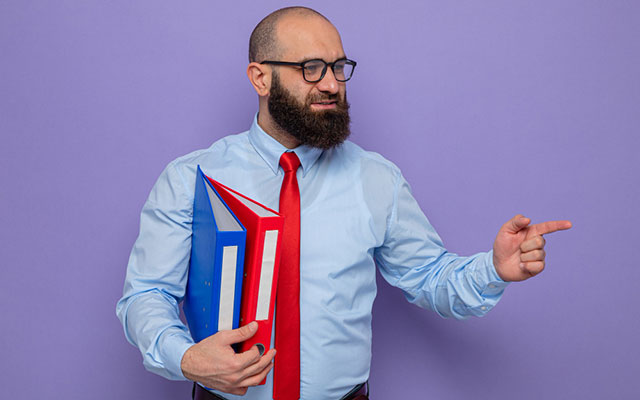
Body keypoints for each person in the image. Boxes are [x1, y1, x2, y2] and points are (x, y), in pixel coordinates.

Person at [116, 6, 572, 400]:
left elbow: (430, 276)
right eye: (311, 68)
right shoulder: (191, 178)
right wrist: (186, 357)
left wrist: (493, 268)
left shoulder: (376, 179)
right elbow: (147, 294)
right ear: (260, 77)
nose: (332, 84)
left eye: (339, 67)